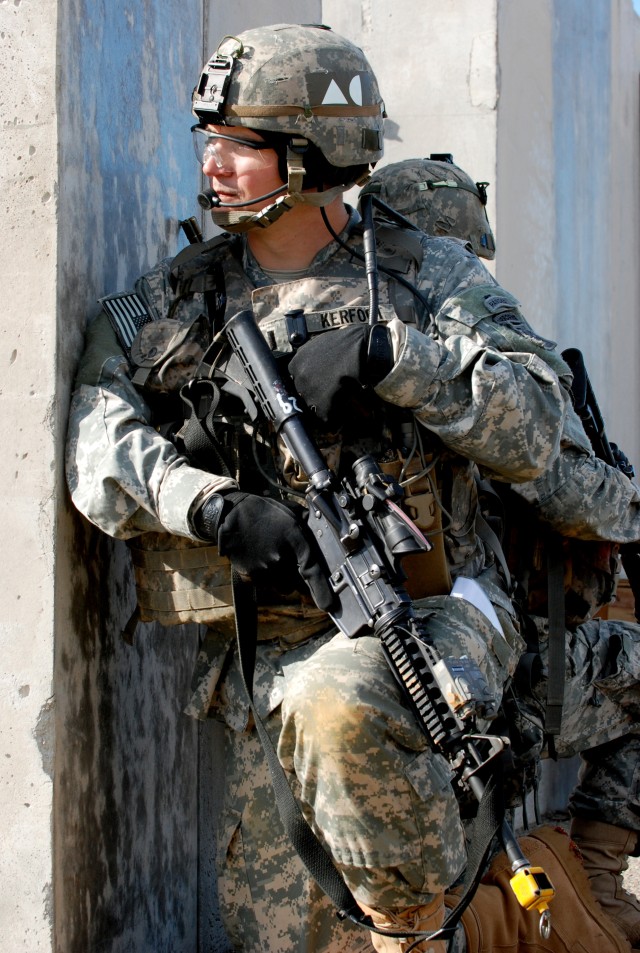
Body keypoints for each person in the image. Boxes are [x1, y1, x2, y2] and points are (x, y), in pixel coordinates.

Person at [65, 24, 639, 953]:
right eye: (209, 141)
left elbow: (543, 428)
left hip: (433, 617)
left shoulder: (423, 278)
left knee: (351, 727)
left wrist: (393, 356)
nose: (213, 164)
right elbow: (98, 437)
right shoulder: (181, 296)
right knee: (287, 930)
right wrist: (203, 503)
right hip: (266, 656)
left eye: (240, 146)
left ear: (313, 153)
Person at [366, 155, 640, 948]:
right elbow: (576, 495)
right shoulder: (472, 374)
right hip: (494, 667)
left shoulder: (356, 347)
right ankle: (596, 874)